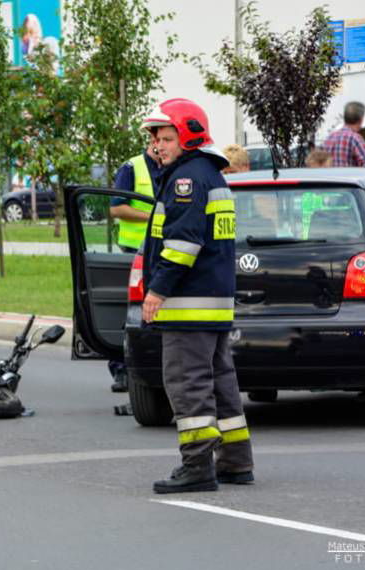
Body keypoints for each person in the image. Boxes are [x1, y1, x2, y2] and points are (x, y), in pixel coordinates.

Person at [140, 98, 254, 494]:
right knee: (221, 382)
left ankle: (197, 465)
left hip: (188, 305)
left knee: (187, 384)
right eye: (156, 140)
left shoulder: (186, 180)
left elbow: (182, 245)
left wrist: (156, 291)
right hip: (214, 303)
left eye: (167, 138)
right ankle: (236, 461)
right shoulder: (208, 174)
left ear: (188, 136)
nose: (159, 146)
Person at [107, 120, 164, 395]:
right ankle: (121, 371)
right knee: (130, 312)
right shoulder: (131, 168)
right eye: (157, 140)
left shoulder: (173, 167)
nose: (160, 146)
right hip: (134, 250)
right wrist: (152, 217)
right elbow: (116, 209)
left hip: (162, 248)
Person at [322, 102, 365, 167]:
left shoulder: (330, 137)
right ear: (361, 120)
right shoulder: (355, 138)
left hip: (332, 177)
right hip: (351, 177)